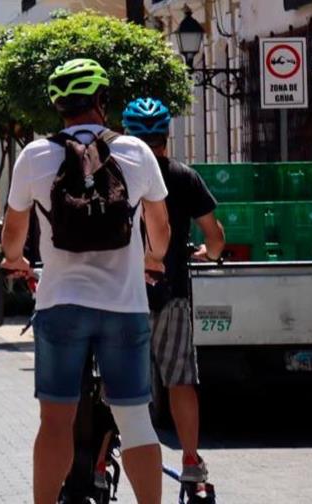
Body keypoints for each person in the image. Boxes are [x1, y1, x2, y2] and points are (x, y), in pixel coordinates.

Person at [0, 58, 170, 504]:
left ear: (58, 106)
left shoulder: (34, 156)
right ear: (101, 100)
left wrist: (15, 261)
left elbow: (13, 235)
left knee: (55, 421)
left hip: (61, 305)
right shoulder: (136, 151)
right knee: (135, 420)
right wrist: (152, 259)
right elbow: (162, 229)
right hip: (125, 306)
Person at [122, 97, 225, 483]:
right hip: (173, 294)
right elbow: (214, 237)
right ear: (167, 134)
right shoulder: (183, 176)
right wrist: (206, 252)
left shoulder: (118, 176)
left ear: (130, 136)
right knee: (181, 380)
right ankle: (191, 463)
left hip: (124, 295)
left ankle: (98, 465)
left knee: (115, 385)